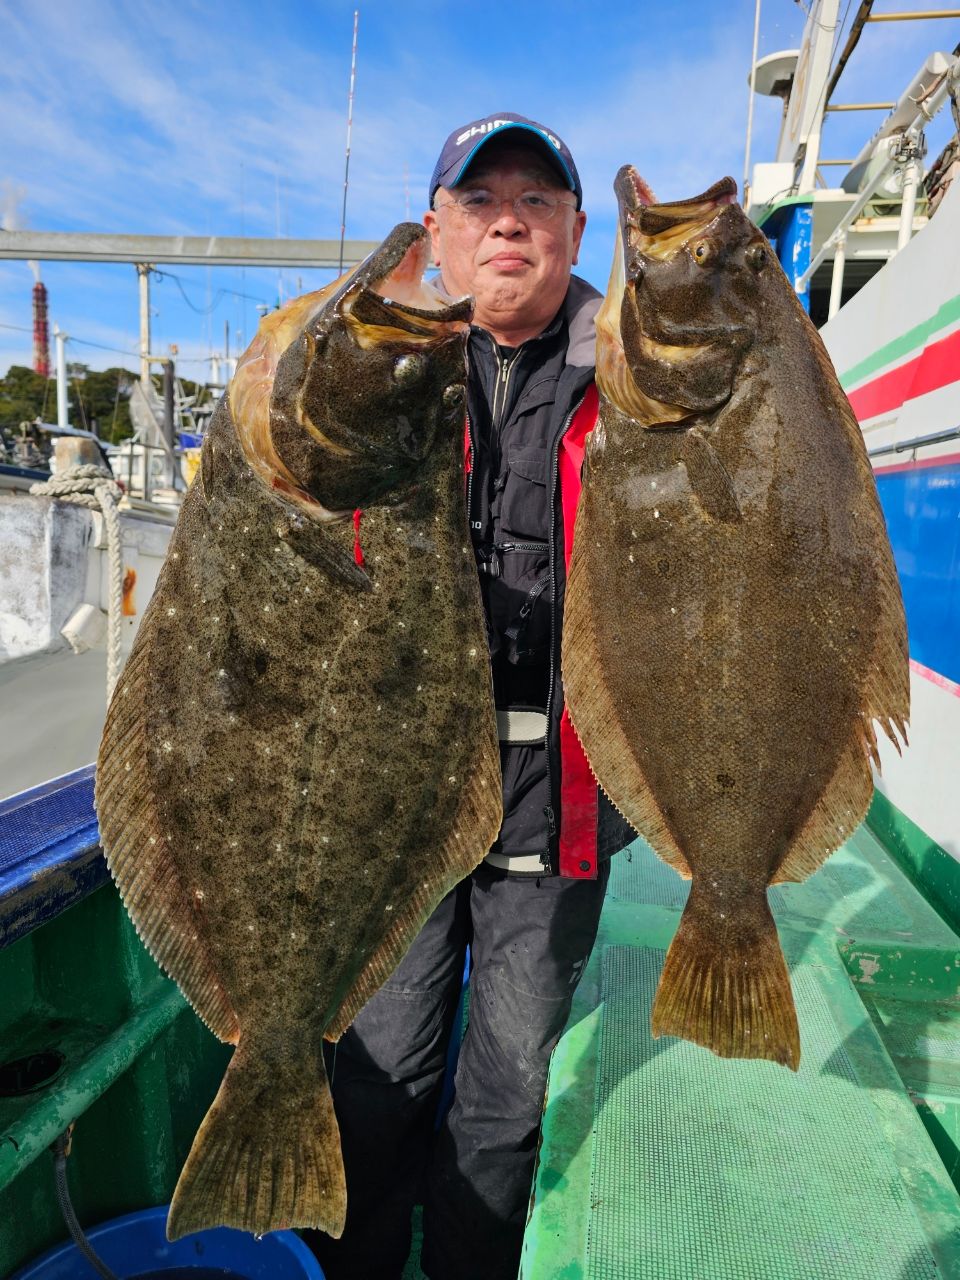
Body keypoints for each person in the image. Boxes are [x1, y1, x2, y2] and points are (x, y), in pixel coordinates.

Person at [308, 112, 632, 1280]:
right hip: (395, 808)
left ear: (575, 230)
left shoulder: (647, 379)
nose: (510, 219)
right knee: (377, 1078)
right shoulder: (373, 374)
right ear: (438, 230)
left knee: (504, 1105)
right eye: (480, 199)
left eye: (538, 202)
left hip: (562, 810)